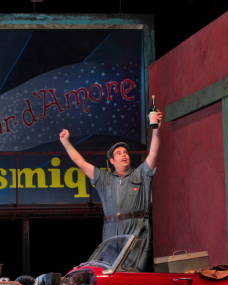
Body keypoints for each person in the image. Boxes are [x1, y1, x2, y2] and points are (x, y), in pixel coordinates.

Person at [59, 110, 163, 271]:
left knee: (132, 272)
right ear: (112, 161)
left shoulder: (140, 174)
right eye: (119, 153)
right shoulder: (104, 179)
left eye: (126, 152)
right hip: (111, 230)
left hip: (136, 229)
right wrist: (66, 142)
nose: (124, 155)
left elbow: (154, 153)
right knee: (109, 270)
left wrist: (156, 130)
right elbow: (80, 162)